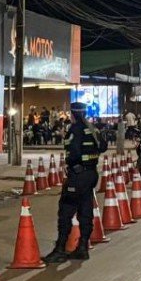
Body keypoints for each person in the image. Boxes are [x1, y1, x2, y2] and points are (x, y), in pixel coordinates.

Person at [43, 102, 104, 264]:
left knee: (66, 210)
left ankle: (60, 249)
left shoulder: (75, 129)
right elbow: (103, 146)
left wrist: (74, 164)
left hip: (78, 175)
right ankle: (82, 247)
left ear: (73, 114)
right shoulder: (92, 128)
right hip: (91, 173)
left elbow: (73, 150)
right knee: (85, 209)